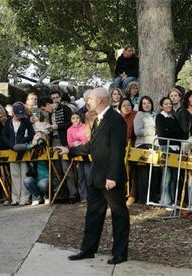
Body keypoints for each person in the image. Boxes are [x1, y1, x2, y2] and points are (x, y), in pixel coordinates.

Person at [57, 87, 130, 265]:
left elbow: (117, 151)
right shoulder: (98, 119)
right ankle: (88, 249)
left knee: (119, 214)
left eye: (90, 99)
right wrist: (70, 150)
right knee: (93, 214)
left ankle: (120, 253)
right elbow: (91, 146)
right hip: (96, 177)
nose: (87, 102)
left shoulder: (116, 120)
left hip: (110, 179)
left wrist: (112, 177)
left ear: (101, 100)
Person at [43, 95, 77, 203]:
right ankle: (62, 194)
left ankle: (73, 194)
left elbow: (70, 123)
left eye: (44, 108)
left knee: (66, 168)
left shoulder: (64, 108)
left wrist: (56, 126)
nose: (45, 111)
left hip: (63, 141)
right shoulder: (48, 113)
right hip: (53, 141)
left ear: (48, 105)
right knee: (56, 168)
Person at [2, 102, 35, 206]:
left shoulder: (25, 121)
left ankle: (24, 198)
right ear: (13, 113)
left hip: (23, 149)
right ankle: (15, 198)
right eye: (17, 115)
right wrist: (11, 144)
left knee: (24, 173)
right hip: (12, 151)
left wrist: (23, 141)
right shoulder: (8, 122)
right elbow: (4, 135)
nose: (19, 117)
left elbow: (31, 134)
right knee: (15, 175)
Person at [155, 97, 182, 206]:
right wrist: (173, 132)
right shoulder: (160, 117)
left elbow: (179, 133)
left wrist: (171, 132)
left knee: (175, 176)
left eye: (170, 104)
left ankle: (173, 200)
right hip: (166, 147)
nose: (168, 106)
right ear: (161, 106)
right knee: (167, 175)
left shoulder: (173, 118)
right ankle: (165, 200)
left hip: (176, 148)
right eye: (166, 104)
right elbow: (162, 134)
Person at [133, 96, 159, 203]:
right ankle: (143, 198)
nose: (147, 105)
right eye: (144, 103)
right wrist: (152, 131)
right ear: (141, 105)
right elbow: (137, 131)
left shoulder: (156, 115)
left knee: (155, 172)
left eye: (148, 103)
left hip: (155, 145)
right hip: (143, 144)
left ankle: (153, 197)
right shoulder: (139, 115)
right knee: (144, 172)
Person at [67, 113, 90, 202]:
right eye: (73, 118)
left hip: (86, 152)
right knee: (80, 176)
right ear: (71, 120)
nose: (75, 120)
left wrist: (83, 144)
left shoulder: (85, 126)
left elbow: (88, 138)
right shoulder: (69, 130)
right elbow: (70, 143)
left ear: (80, 118)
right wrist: (75, 143)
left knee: (88, 174)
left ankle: (91, 195)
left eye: (77, 118)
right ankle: (83, 197)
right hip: (77, 154)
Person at [119, 99, 137, 206]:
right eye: (124, 105)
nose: (126, 107)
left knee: (132, 171)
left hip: (132, 146)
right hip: (120, 147)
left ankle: (132, 194)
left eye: (128, 105)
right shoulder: (118, 118)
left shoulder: (135, 115)